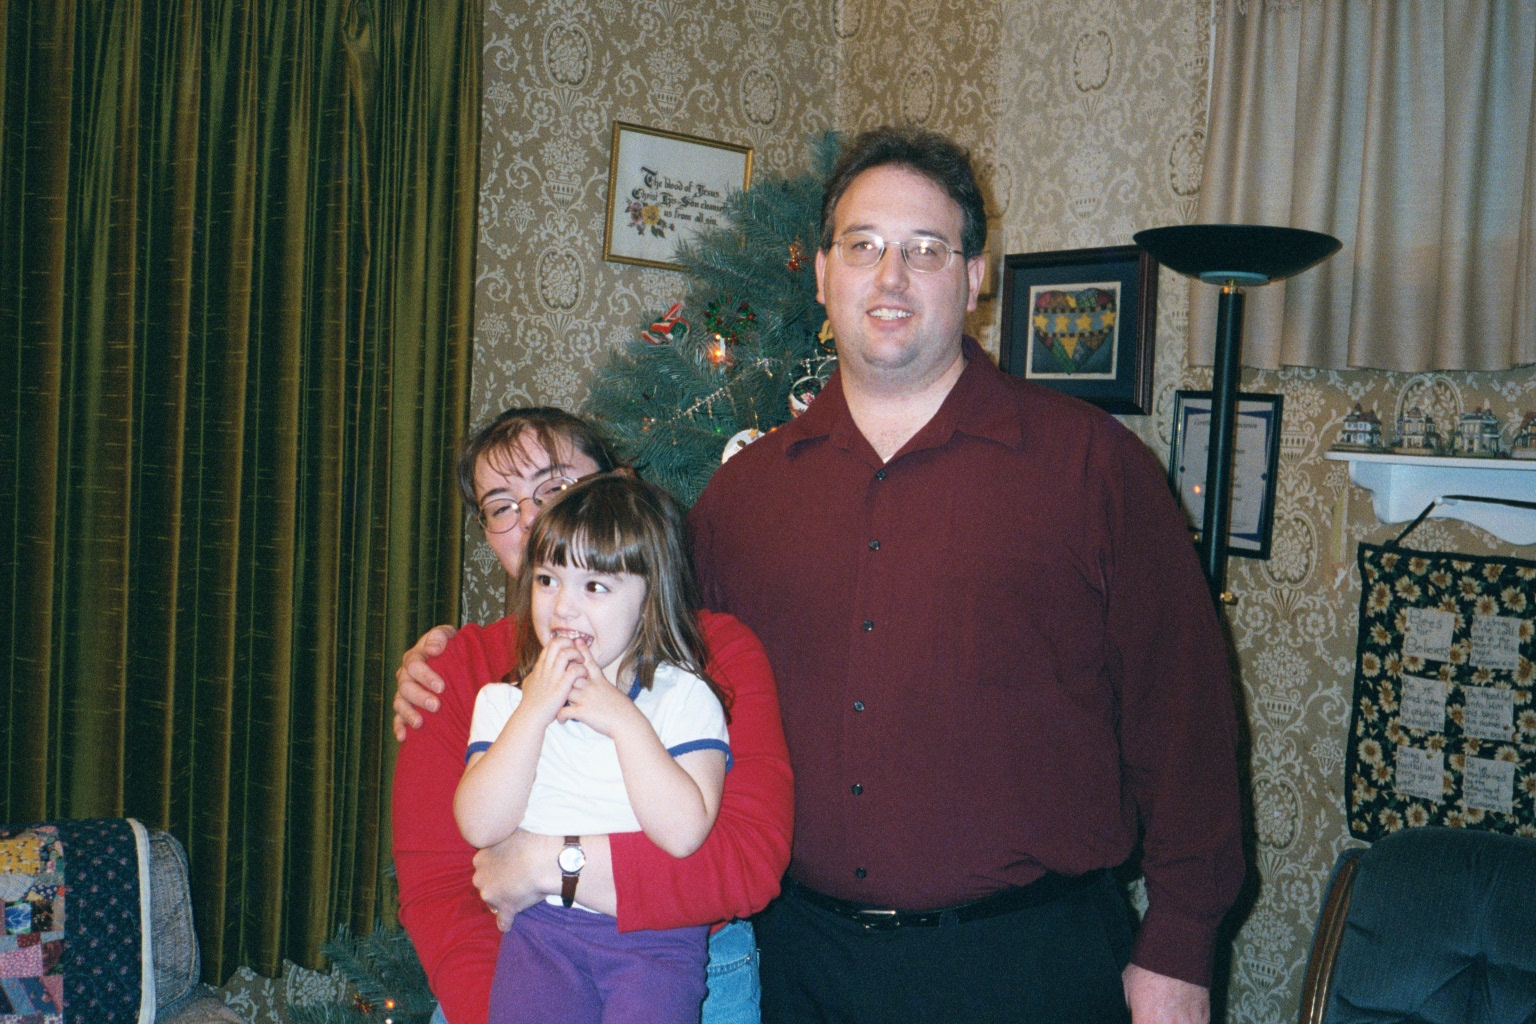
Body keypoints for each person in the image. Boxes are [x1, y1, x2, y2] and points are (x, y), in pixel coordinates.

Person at [683, 126, 1245, 1024]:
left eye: (925, 250)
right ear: (822, 274)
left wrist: (1180, 947)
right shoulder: (742, 496)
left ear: (974, 277)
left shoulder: (1092, 468)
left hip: (1028, 970)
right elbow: (655, 686)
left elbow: (1185, 720)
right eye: (863, 246)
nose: (890, 277)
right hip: (795, 969)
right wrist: (469, 668)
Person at [391, 408, 791, 1024]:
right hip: (519, 971)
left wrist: (543, 864)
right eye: (501, 505)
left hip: (686, 972)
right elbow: (440, 890)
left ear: (621, 489)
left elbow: (744, 861)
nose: (532, 518)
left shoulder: (712, 658)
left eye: (554, 486)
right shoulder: (459, 673)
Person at [458, 473, 733, 1024]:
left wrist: (623, 721)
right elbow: (480, 825)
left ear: (650, 597)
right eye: (547, 580)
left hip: (654, 942)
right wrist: (533, 711)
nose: (563, 607)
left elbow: (684, 833)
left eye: (595, 587)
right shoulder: (502, 703)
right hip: (539, 935)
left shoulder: (684, 697)